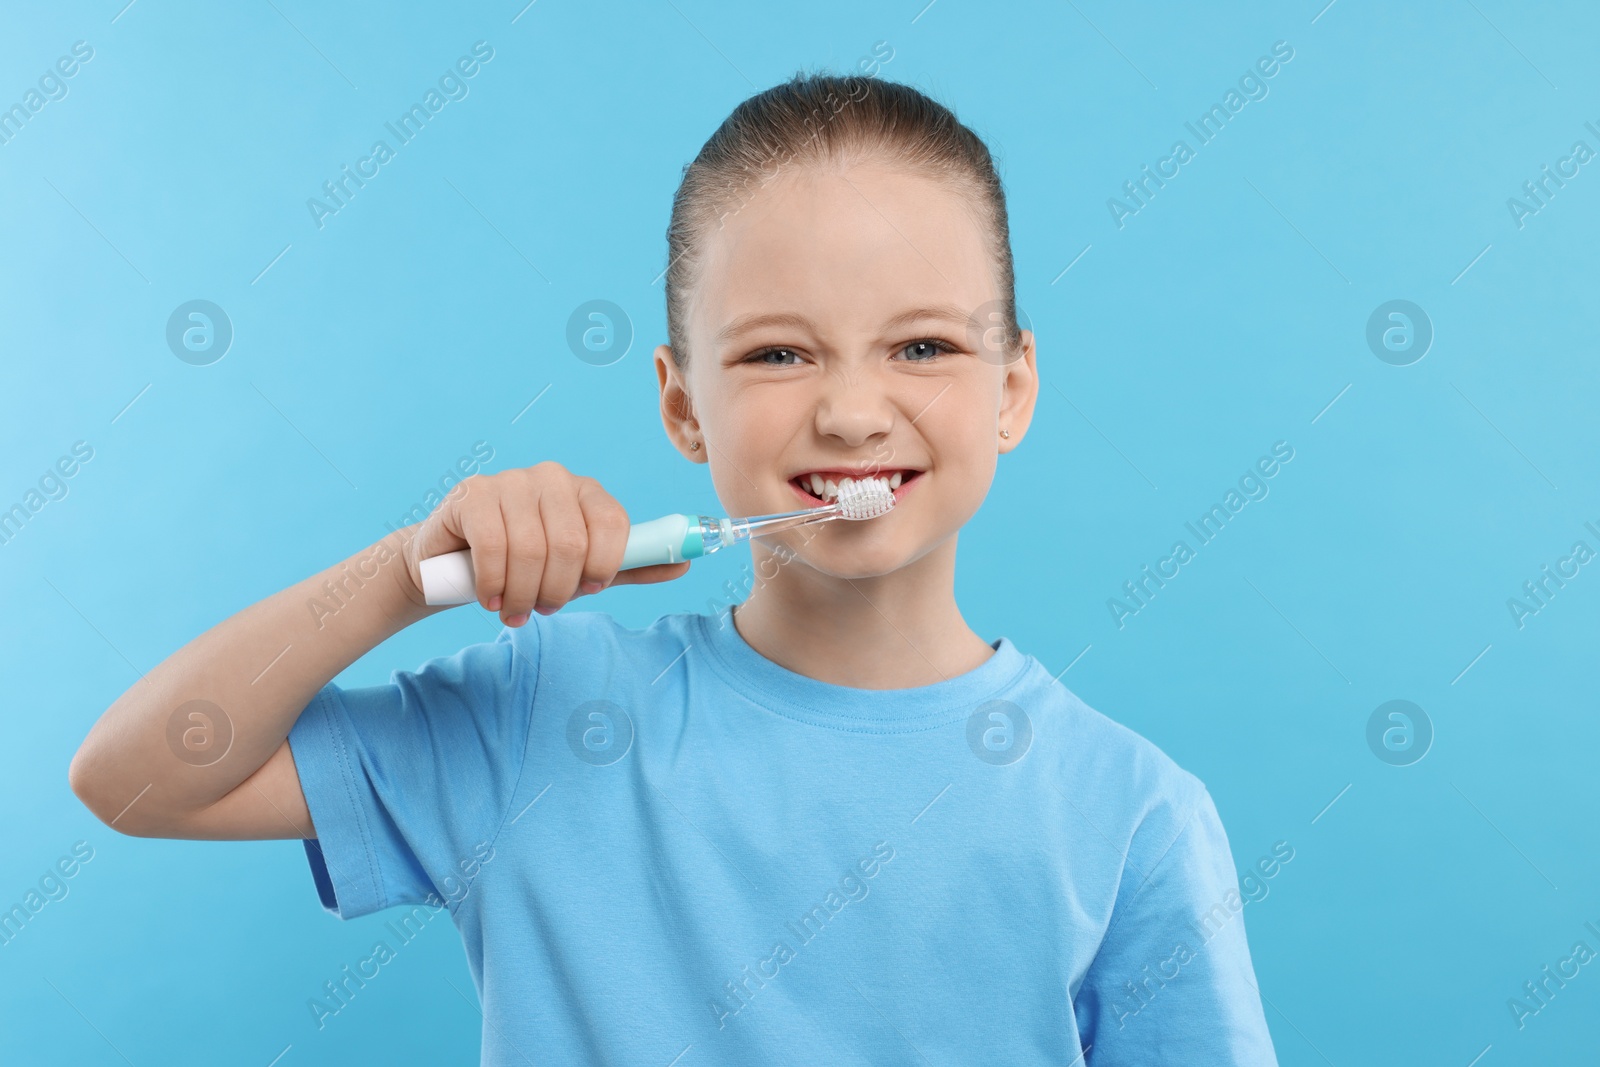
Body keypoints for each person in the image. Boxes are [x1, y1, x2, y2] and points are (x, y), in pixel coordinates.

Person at [69, 72, 1279, 1065]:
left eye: (921, 344)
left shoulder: (1132, 814)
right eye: (775, 353)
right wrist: (402, 571)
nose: (854, 412)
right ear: (681, 405)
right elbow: (134, 780)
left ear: (1010, 387)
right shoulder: (543, 714)